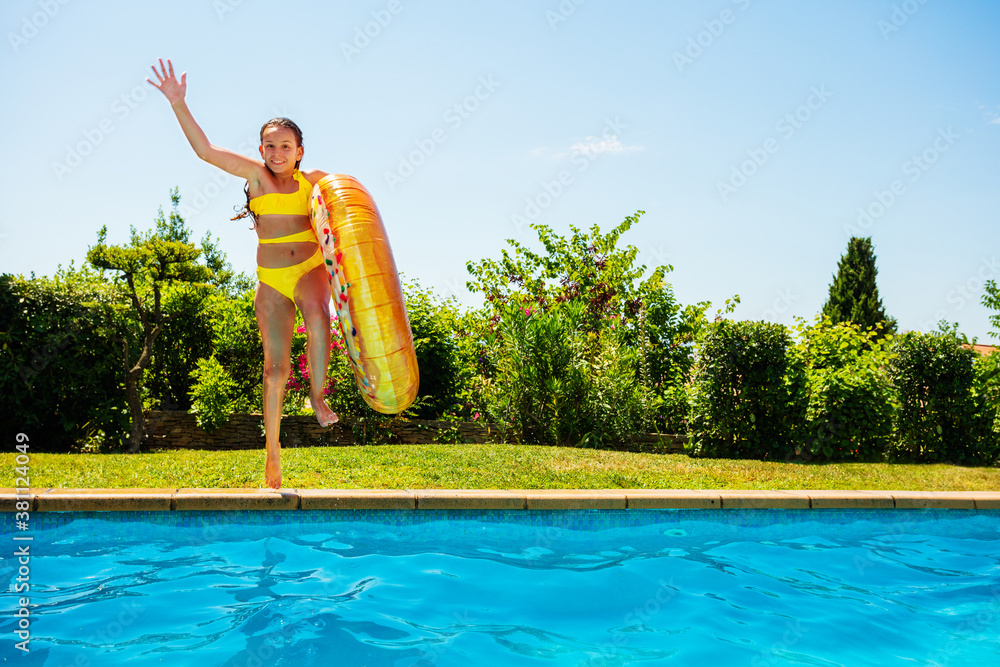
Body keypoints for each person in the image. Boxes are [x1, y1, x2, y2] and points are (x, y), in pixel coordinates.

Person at [148, 58, 338, 489]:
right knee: (274, 371)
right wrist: (179, 103)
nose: (276, 154)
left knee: (317, 313)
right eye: (269, 146)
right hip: (271, 281)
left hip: (308, 269)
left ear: (300, 151)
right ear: (260, 151)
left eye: (285, 146)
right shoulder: (256, 178)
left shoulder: (315, 182)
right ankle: (272, 456)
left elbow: (352, 209)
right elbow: (205, 151)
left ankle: (318, 396)